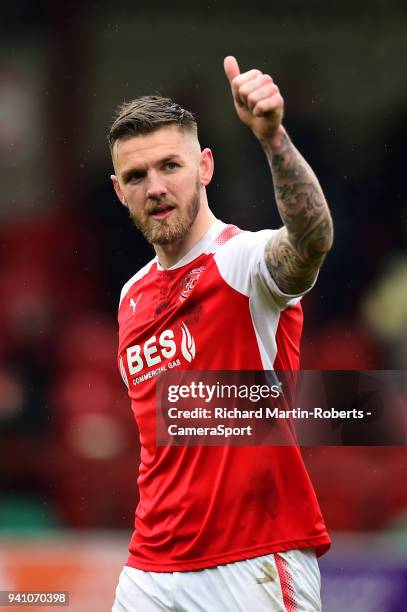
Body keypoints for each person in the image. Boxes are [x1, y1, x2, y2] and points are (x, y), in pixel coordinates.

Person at [109, 56, 333, 612]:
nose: (155, 187)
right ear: (119, 191)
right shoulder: (130, 297)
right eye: (137, 176)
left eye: (170, 166)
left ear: (205, 166)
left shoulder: (242, 263)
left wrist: (272, 136)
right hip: (150, 568)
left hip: (253, 560)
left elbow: (312, 239)